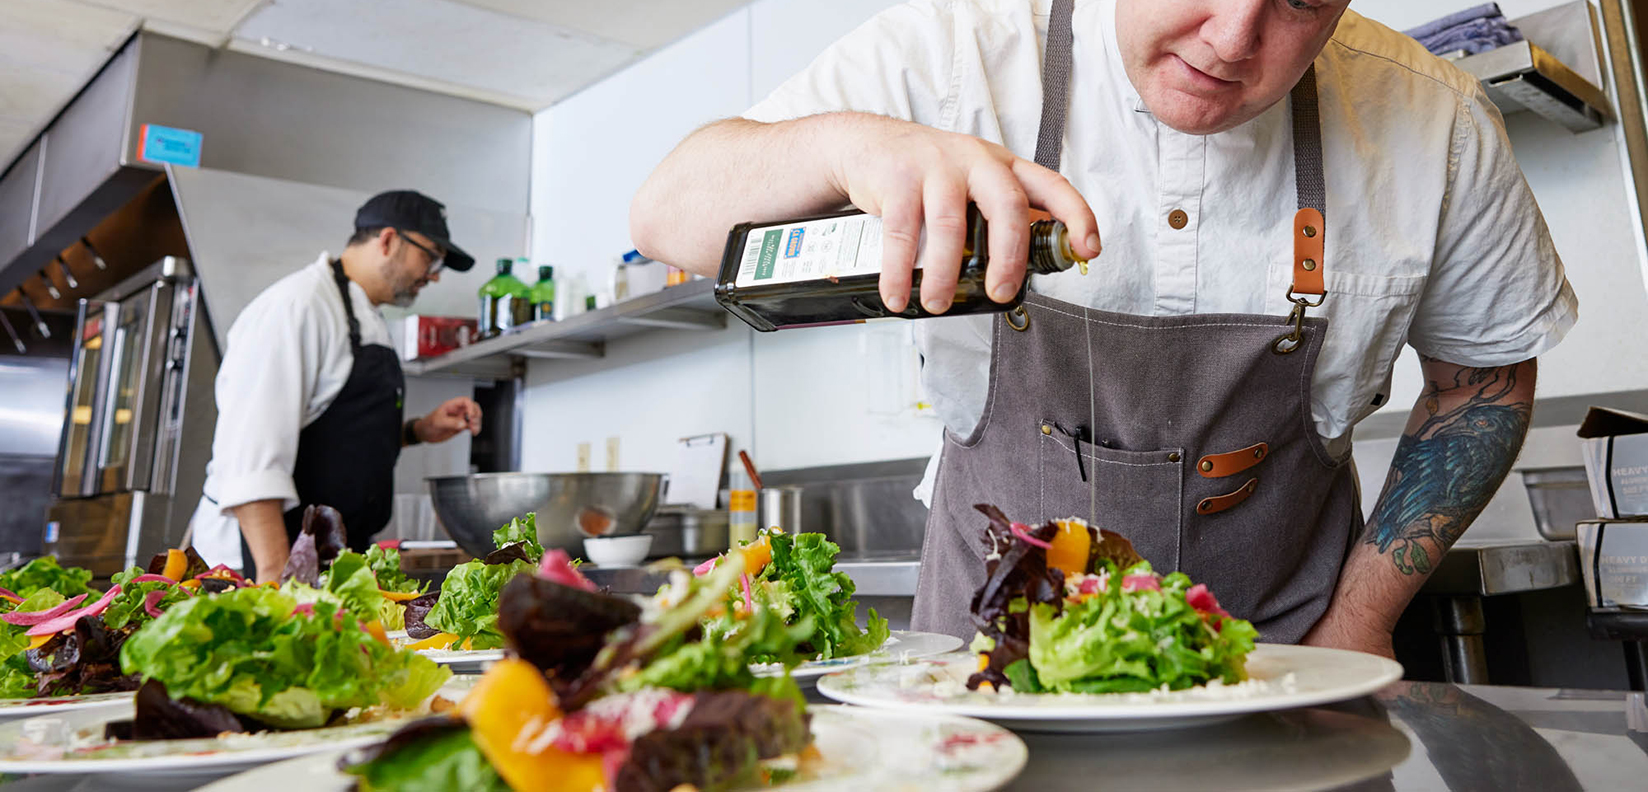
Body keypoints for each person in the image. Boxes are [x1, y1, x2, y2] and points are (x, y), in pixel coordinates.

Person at [629, 0, 1577, 657]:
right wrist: (848, 145)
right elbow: (669, 214)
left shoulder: (1435, 120)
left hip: (1284, 665)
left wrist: (1362, 622)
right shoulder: (955, 50)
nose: (1236, 37)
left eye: (1301, 2)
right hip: (982, 666)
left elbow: (1481, 385)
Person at [189, 190, 484, 582]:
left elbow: (334, 439)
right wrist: (276, 582)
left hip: (329, 560)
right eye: (430, 256)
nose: (433, 274)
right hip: (262, 564)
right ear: (388, 239)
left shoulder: (367, 317)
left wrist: (417, 431)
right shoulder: (298, 306)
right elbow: (251, 458)